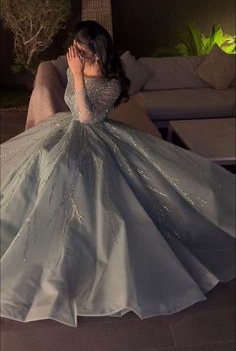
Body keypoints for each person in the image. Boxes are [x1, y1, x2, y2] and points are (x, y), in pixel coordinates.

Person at [0, 20, 235, 328]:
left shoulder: (112, 83)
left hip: (97, 138)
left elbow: (86, 116)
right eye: (76, 48)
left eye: (82, 49)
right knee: (41, 168)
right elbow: (72, 110)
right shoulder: (78, 68)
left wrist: (78, 77)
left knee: (101, 194)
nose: (76, 54)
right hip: (67, 132)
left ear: (97, 51)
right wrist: (75, 75)